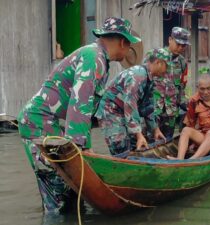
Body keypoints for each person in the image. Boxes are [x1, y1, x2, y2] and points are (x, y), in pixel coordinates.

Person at [17, 17, 140, 214]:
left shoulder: (100, 59)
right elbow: (80, 102)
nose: (128, 52)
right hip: (38, 123)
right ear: (123, 42)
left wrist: (85, 144)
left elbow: (87, 108)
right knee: (60, 193)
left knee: (71, 194)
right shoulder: (94, 57)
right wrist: (81, 147)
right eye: (129, 46)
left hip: (50, 122)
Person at [95, 48, 169, 155]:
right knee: (121, 147)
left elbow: (148, 107)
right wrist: (138, 134)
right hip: (111, 111)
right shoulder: (138, 75)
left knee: (136, 145)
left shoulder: (150, 78)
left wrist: (155, 129)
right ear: (158, 63)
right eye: (167, 66)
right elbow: (130, 105)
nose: (167, 71)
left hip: (124, 112)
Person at [152, 27, 190, 139]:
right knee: (150, 140)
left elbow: (182, 87)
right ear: (170, 39)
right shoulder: (155, 55)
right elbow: (145, 81)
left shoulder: (182, 62)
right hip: (154, 110)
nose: (180, 48)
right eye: (178, 44)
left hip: (171, 112)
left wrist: (187, 105)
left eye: (183, 46)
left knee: (167, 141)